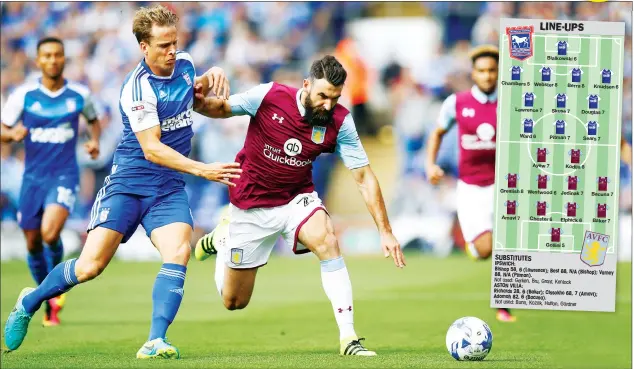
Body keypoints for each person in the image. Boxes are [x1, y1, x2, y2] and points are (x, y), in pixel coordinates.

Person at [4, 5, 242, 359]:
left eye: (174, 43)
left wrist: (213, 74)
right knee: (89, 267)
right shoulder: (137, 88)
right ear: (144, 48)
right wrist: (203, 169)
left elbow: (195, 86)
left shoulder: (186, 63)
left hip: (168, 188)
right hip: (129, 184)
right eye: (163, 46)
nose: (172, 51)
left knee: (178, 251)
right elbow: (152, 149)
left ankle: (154, 340)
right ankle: (31, 299)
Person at [192, 55, 405, 356]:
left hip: (297, 199)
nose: (328, 105)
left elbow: (364, 177)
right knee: (234, 301)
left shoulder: (340, 121)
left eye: (335, 98)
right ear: (306, 85)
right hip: (251, 204)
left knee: (328, 240)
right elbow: (222, 108)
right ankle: (224, 237)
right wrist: (196, 101)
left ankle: (349, 338)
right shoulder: (270, 96)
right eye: (322, 96)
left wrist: (385, 231)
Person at [0, 37, 101, 327]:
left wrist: (93, 141)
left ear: (63, 59)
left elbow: (94, 120)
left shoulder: (79, 95)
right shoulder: (24, 96)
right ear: (38, 61)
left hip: (64, 175)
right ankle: (50, 296)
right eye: (47, 55)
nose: (53, 60)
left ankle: (55, 279)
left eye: (58, 55)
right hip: (32, 178)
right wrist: (12, 135)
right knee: (32, 242)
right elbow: (3, 129)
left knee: (48, 232)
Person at [425, 45, 516, 323]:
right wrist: (431, 165)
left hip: (504, 187)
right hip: (471, 189)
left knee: (508, 247)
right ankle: (474, 247)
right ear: (473, 73)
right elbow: (437, 133)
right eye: (482, 70)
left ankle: (503, 305)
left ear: (498, 73)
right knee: (486, 249)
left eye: (492, 71)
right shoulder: (457, 102)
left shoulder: (512, 102)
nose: (487, 76)